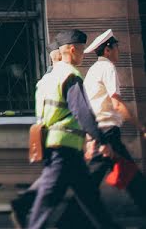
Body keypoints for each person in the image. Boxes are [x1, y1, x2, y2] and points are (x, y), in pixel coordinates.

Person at [26, 29, 121, 229]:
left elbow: (41, 113)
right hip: (64, 146)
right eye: (81, 51)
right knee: (47, 197)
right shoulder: (71, 74)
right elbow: (82, 111)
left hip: (57, 144)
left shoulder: (46, 79)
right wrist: (101, 140)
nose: (82, 55)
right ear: (71, 49)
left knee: (89, 197)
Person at [57, 29, 146, 227]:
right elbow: (116, 103)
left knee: (128, 175)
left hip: (100, 130)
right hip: (107, 131)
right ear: (108, 50)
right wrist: (140, 126)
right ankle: (67, 220)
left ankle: (69, 220)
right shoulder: (108, 68)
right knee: (98, 179)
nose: (118, 51)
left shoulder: (94, 71)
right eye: (116, 47)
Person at [9, 40, 61, 228]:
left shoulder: (46, 78)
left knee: (55, 180)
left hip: (52, 134)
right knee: (53, 180)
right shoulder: (58, 76)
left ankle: (26, 207)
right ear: (57, 54)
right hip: (60, 136)